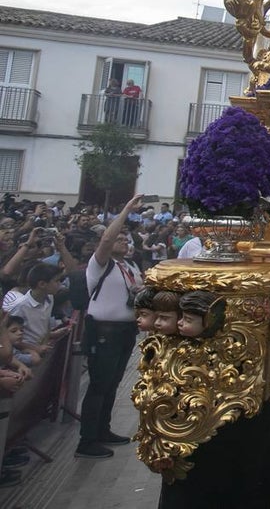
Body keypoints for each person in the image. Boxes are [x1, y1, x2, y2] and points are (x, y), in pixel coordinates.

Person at [77, 193, 144, 459]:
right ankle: (86, 440)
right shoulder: (100, 264)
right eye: (120, 239)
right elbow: (106, 238)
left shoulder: (129, 265)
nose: (124, 242)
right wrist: (127, 209)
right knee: (98, 384)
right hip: (103, 332)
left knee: (112, 383)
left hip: (125, 332)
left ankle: (102, 430)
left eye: (126, 240)